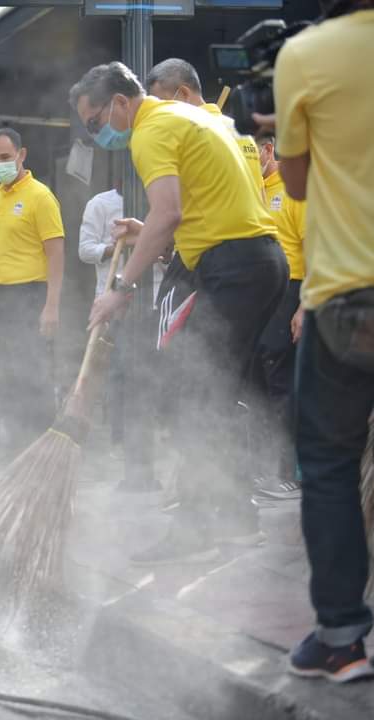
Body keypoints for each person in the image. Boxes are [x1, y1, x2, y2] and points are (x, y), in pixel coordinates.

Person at [70, 62, 286, 565]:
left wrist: (119, 289)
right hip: (256, 261)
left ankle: (197, 526)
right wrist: (144, 232)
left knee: (192, 389)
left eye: (96, 120)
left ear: (122, 102)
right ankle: (233, 520)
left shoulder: (150, 131)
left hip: (234, 267)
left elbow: (170, 215)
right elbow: (197, 212)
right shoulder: (193, 120)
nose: (97, 132)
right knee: (216, 391)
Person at [272, 2, 374, 682]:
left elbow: (298, 181)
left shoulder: (306, 54)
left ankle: (340, 638)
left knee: (332, 466)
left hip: (348, 294)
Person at [0, 127, 65, 461]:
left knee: (32, 376)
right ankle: (11, 450)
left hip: (30, 298)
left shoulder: (40, 196)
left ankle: (37, 453)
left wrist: (51, 306)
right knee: (1, 375)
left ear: (22, 155)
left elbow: (56, 254)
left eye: (5, 157)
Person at [251, 132, 306, 502]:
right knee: (256, 374)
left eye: (251, 152)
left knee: (278, 377)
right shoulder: (252, 186)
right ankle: (261, 467)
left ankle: (286, 473)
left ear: (268, 149)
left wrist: (304, 306)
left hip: (293, 288)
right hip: (261, 291)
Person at [145, 59, 263, 191]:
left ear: (184, 94)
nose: (161, 114)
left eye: (163, 104)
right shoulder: (243, 134)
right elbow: (261, 196)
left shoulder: (188, 138)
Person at [80, 184, 127, 456]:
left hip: (153, 299)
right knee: (115, 368)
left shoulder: (162, 196)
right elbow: (85, 250)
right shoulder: (100, 203)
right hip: (109, 298)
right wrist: (114, 248)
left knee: (146, 371)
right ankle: (118, 438)